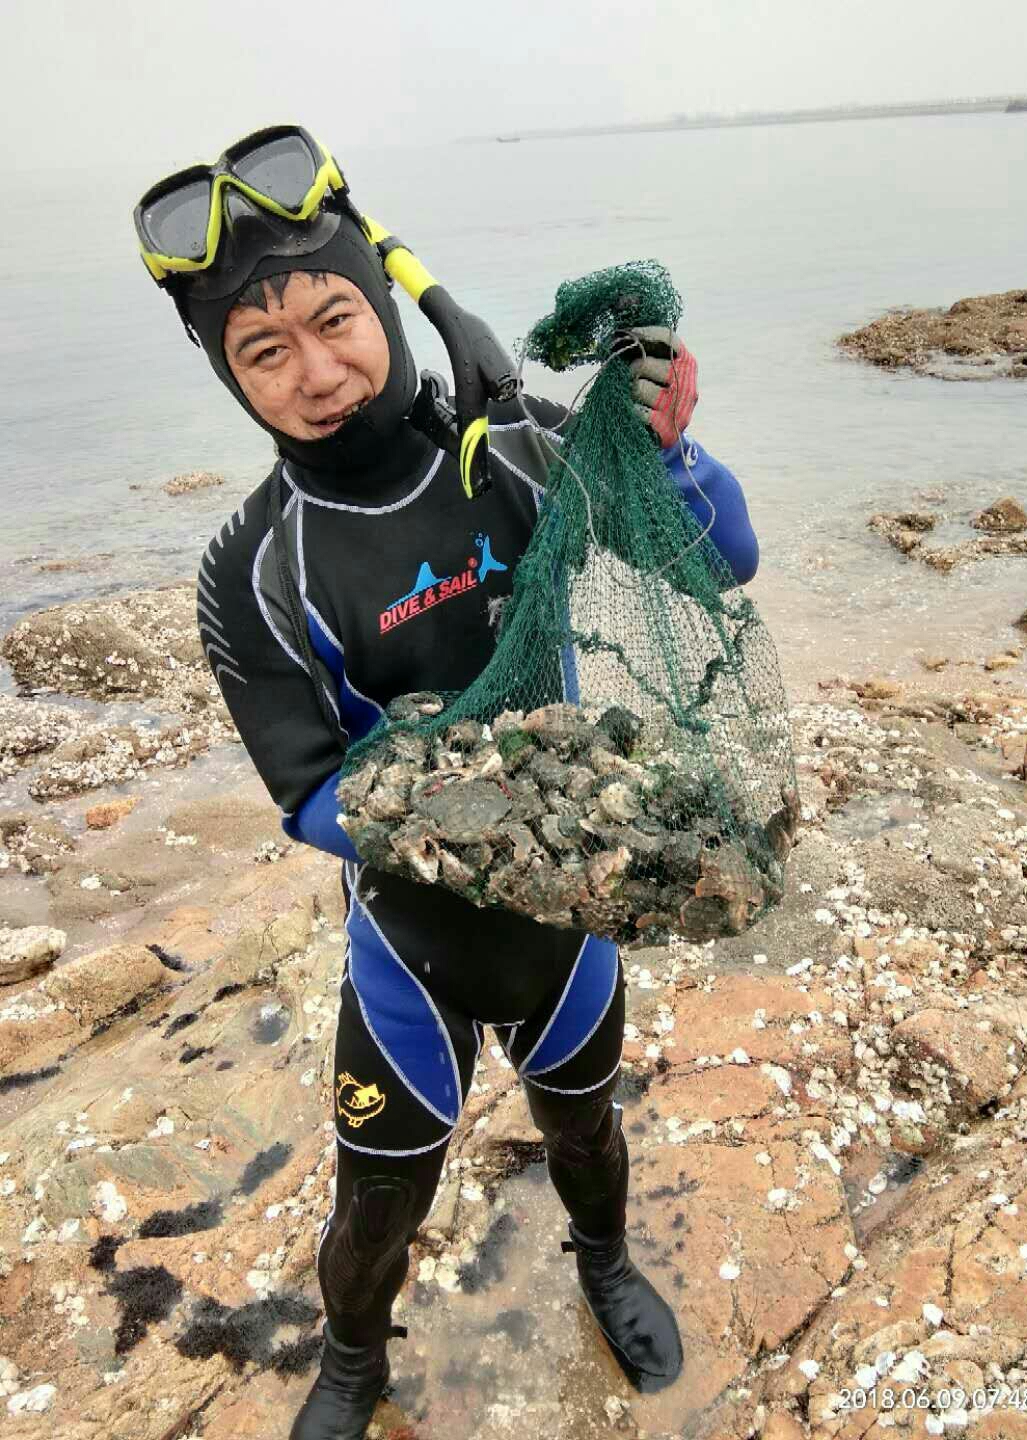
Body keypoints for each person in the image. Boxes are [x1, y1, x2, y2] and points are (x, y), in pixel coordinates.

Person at [134, 125, 760, 1440]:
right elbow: (303, 791)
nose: (316, 371)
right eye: (264, 352)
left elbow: (725, 558)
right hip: (411, 949)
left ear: (380, 300)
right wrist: (473, 799)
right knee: (374, 1207)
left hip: (564, 930)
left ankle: (604, 1263)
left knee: (587, 1136)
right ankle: (354, 1363)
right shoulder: (252, 570)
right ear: (231, 379)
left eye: (334, 319)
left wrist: (663, 451)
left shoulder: (518, 448)